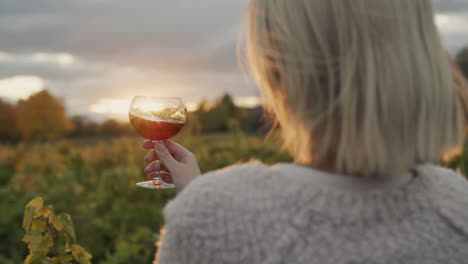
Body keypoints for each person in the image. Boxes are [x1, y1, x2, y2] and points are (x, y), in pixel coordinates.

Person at [145, 0, 468, 263]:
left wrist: (202, 207)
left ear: (277, 64)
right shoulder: (458, 205)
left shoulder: (212, 219)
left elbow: (232, 234)